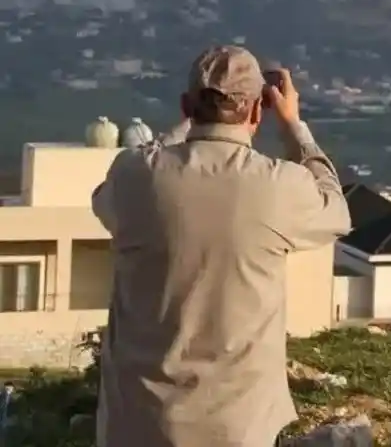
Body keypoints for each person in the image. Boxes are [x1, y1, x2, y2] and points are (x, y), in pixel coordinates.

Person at [91, 45, 352, 447]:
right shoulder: (278, 186)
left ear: (186, 106)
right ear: (256, 112)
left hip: (137, 422)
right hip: (237, 426)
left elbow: (108, 195)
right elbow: (337, 211)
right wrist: (295, 129)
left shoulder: (136, 176)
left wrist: (182, 129)